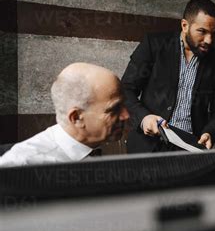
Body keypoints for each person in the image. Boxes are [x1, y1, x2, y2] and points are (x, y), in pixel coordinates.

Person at [121, 0, 215, 153]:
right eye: (202, 31)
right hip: (148, 146)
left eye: (213, 33)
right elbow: (125, 90)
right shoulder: (154, 45)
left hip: (191, 148)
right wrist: (144, 118)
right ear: (185, 25)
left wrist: (209, 132)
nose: (209, 40)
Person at [0, 63, 130, 167]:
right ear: (76, 117)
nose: (126, 115)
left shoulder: (93, 149)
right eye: (114, 109)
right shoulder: (22, 165)